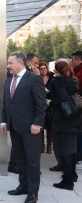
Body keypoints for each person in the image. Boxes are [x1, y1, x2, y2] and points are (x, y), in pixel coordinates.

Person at [0, 51, 46, 203]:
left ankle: (33, 193)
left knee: (32, 161)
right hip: (14, 127)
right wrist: (4, 121)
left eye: (10, 63)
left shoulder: (34, 79)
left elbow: (41, 105)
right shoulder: (8, 81)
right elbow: (7, 104)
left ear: (21, 63)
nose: (8, 66)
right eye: (8, 63)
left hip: (30, 128)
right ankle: (23, 186)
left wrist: (37, 123)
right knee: (20, 160)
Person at [47, 60, 82, 189]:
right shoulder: (74, 80)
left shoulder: (57, 81)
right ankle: (72, 175)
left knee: (65, 151)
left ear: (56, 70)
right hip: (75, 118)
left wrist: (49, 103)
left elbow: (61, 100)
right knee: (71, 149)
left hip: (63, 119)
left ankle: (67, 181)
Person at [39, 62, 54, 154]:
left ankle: (49, 147)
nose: (43, 70)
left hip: (50, 104)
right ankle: (41, 146)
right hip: (40, 104)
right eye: (41, 68)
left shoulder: (52, 78)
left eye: (45, 68)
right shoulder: (37, 79)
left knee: (49, 126)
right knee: (40, 125)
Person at [70, 51, 82, 167]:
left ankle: (79, 155)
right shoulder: (76, 71)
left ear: (79, 59)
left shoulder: (80, 72)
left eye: (73, 59)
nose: (72, 61)